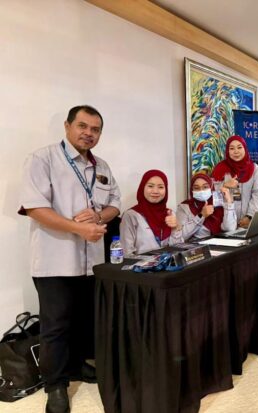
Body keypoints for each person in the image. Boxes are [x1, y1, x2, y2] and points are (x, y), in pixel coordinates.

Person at [19, 105, 121, 413]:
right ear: (67, 126)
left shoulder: (102, 166)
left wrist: (98, 216)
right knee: (56, 326)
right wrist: (79, 228)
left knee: (82, 320)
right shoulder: (43, 159)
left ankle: (76, 366)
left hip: (92, 261)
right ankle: (55, 386)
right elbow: (35, 208)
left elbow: (114, 203)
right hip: (55, 260)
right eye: (82, 126)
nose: (89, 133)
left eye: (95, 129)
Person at [120, 170, 184, 256]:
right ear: (142, 187)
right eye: (150, 186)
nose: (155, 191)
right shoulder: (131, 215)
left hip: (169, 263)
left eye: (161, 187)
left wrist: (176, 228)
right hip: (141, 264)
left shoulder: (170, 213)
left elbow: (178, 248)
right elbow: (126, 253)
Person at [211, 135, 258, 228]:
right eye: (232, 148)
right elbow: (212, 194)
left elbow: (257, 194)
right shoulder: (220, 169)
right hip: (224, 221)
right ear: (227, 151)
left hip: (246, 222)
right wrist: (224, 185)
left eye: (239, 147)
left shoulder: (254, 168)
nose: (236, 151)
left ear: (245, 148)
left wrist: (250, 216)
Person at [176, 173, 237, 239]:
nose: (201, 190)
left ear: (211, 187)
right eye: (196, 188)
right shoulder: (184, 207)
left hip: (220, 243)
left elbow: (230, 228)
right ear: (192, 190)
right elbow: (180, 236)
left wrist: (229, 202)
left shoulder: (218, 203)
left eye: (205, 187)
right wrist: (201, 215)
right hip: (196, 245)